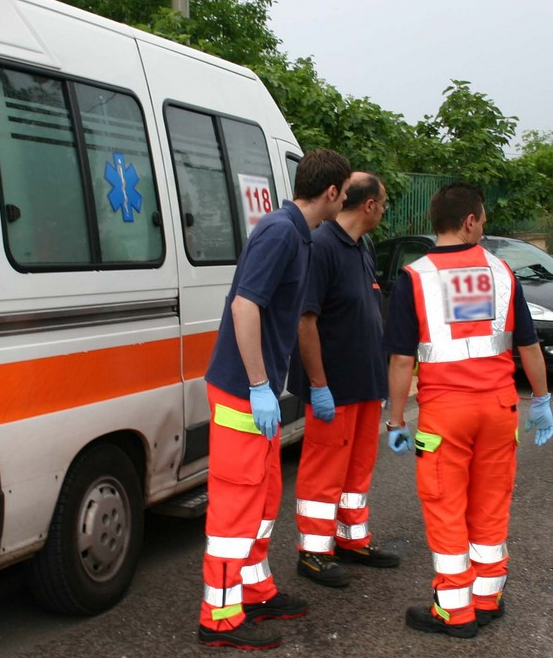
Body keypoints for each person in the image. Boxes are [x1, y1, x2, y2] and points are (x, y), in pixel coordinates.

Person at [383, 182, 553, 639]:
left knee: (445, 506)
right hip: (499, 410)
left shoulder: (414, 277)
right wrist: (541, 398)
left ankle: (453, 611)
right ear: (471, 220)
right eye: (483, 219)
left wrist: (396, 420)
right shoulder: (501, 272)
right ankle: (487, 597)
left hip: (445, 415)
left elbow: (401, 360)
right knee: (491, 505)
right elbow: (529, 344)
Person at [198, 148, 351, 650]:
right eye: (345, 192)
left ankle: (254, 591)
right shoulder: (282, 231)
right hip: (243, 391)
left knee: (262, 498)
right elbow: (246, 305)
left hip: (254, 392)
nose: (347, 199)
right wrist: (260, 385)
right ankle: (218, 616)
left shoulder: (296, 234)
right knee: (236, 504)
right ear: (331, 193)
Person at [287, 172, 400, 588]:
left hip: (365, 383)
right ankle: (313, 552)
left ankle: (351, 537)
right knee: (324, 469)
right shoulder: (322, 246)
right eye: (383, 202)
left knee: (358, 468)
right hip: (334, 387)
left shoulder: (362, 245)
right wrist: (318, 385)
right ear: (368, 205)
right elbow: (305, 320)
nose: (384, 209)